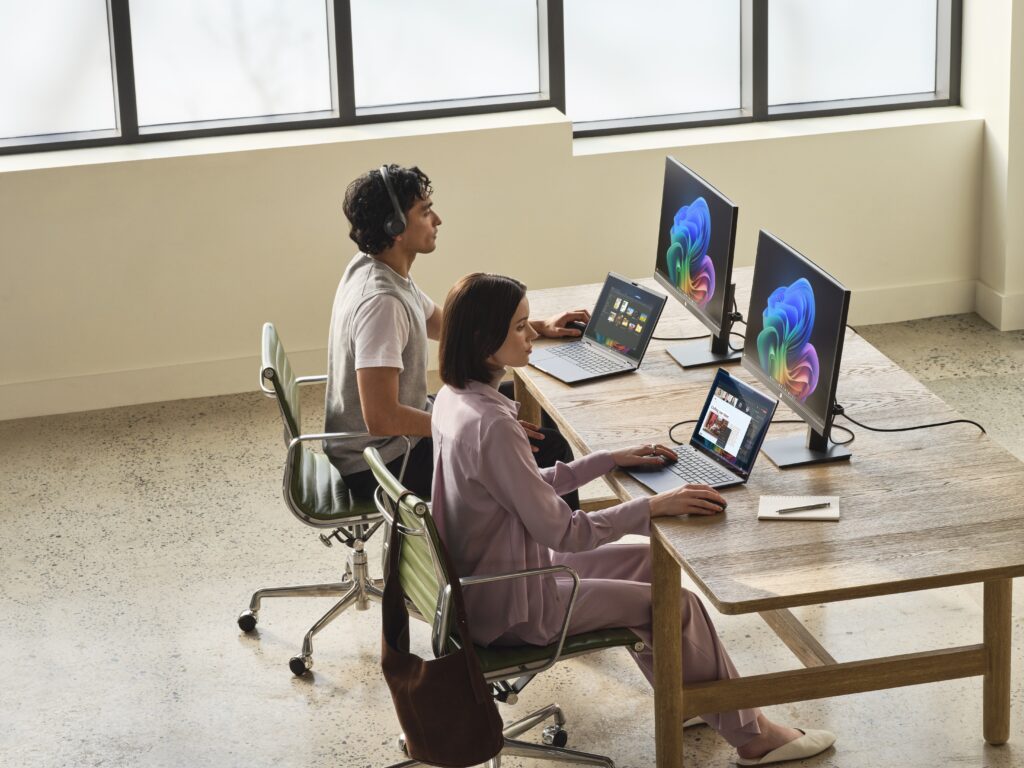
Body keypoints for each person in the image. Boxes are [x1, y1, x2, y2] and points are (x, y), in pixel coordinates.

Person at [429, 272, 837, 766]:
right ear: (482, 340)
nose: (532, 334)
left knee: (651, 566)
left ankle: (688, 693)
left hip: (487, 583)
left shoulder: (456, 399)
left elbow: (522, 486)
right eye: (519, 328)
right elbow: (565, 532)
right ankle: (754, 735)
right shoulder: (493, 424)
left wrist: (608, 458)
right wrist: (651, 508)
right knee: (674, 604)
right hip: (516, 606)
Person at [324, 164, 590, 502]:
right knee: (548, 447)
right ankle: (560, 547)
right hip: (383, 463)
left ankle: (531, 524)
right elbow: (381, 417)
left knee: (524, 403)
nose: (437, 220)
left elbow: (447, 325)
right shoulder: (382, 304)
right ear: (396, 227)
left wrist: (537, 326)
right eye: (425, 212)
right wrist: (470, 428)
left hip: (392, 444)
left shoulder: (378, 268)